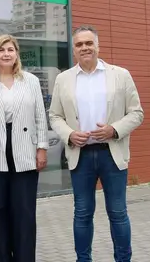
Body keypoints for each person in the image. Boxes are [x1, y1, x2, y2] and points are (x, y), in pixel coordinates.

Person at [48, 25, 144, 262]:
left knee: (118, 212)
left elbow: (136, 113)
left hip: (112, 153)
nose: (85, 48)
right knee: (82, 213)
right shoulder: (63, 79)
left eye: (89, 43)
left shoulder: (120, 75)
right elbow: (55, 116)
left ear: (98, 46)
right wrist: (70, 134)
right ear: (74, 50)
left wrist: (114, 130)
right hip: (80, 155)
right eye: (79, 44)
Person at [0, 34, 49, 262]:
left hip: (25, 150)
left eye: (10, 49)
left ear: (16, 54)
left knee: (24, 213)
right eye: (1, 50)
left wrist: (42, 148)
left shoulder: (31, 81)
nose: (6, 54)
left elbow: (40, 117)